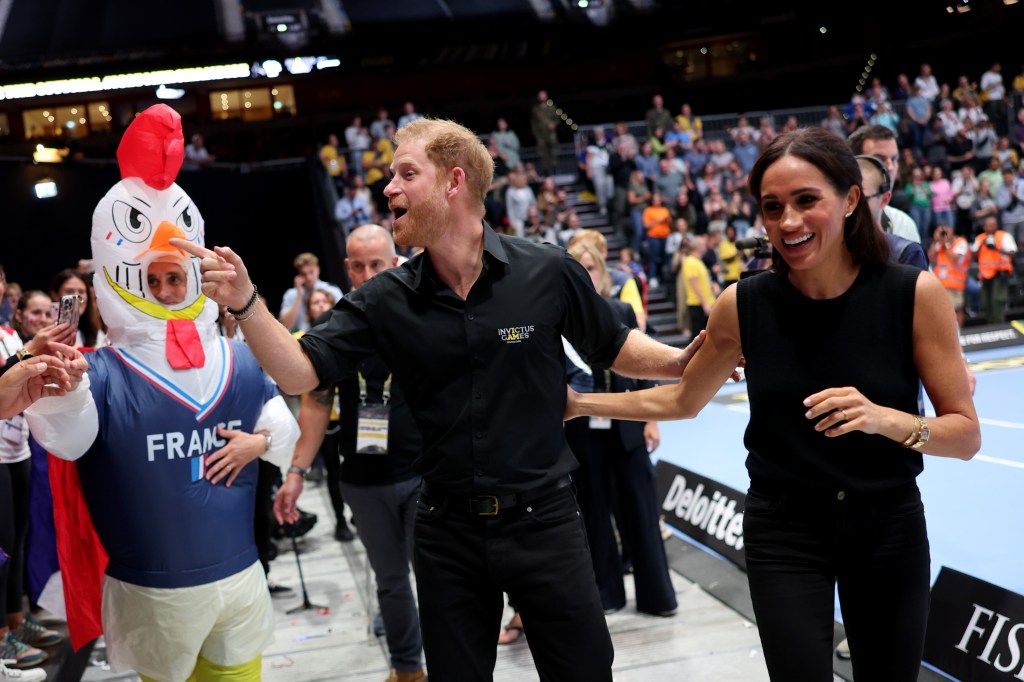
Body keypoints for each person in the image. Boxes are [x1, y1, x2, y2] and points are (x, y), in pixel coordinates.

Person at [176, 117, 707, 682]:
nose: (388, 188)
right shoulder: (384, 300)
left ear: (454, 182)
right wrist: (247, 302)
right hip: (447, 531)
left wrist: (678, 362)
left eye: (407, 173)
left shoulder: (548, 270)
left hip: (544, 520)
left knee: (583, 671)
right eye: (390, 175)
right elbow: (301, 371)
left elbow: (615, 344)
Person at [567, 127, 980, 681]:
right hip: (784, 530)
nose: (788, 222)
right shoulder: (743, 303)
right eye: (772, 207)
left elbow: (965, 435)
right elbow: (684, 400)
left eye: (807, 200)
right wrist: (575, 403)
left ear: (851, 198)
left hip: (886, 526)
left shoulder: (912, 294)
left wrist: (887, 419)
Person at [23, 104, 300, 682]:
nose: (166, 288)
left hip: (239, 581)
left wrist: (260, 442)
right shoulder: (100, 372)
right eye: (152, 279)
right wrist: (62, 391)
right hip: (154, 594)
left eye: (175, 276)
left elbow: (287, 430)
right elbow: (68, 444)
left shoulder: (240, 356)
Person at [276, 224, 425, 682]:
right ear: (346, 268)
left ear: (395, 260)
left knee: (442, 579)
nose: (367, 274)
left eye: (376, 264)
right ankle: (407, 668)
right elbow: (316, 404)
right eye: (357, 266)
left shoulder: (423, 312)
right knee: (391, 581)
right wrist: (298, 470)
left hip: (425, 473)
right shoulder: (333, 326)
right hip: (362, 479)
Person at [564, 241, 677, 618]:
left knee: (641, 511)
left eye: (591, 269)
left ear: (602, 274)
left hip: (628, 426)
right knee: (593, 512)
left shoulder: (620, 311)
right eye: (577, 271)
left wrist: (652, 419)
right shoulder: (557, 322)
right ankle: (607, 593)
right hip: (581, 432)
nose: (586, 277)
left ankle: (657, 596)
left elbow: (643, 366)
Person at [848, 125, 921, 242]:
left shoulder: (904, 224)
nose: (890, 167)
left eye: (894, 159)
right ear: (854, 164)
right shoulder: (833, 227)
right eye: (879, 160)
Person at [277, 252, 343, 333]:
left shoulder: (332, 290)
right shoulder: (291, 294)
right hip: (303, 339)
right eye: (303, 274)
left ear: (318, 269)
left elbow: (343, 318)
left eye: (311, 272)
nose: (308, 277)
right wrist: (299, 296)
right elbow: (284, 327)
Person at [971, 215, 1017, 324]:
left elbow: (1012, 253)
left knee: (997, 300)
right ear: (984, 226)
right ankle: (991, 325)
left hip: (1000, 273)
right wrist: (983, 244)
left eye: (993, 225)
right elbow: (974, 256)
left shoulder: (1004, 236)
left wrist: (996, 247)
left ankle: (999, 325)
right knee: (985, 302)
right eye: (988, 225)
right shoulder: (980, 238)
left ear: (996, 226)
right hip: (985, 274)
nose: (990, 228)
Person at [929, 224, 971, 328]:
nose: (944, 234)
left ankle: (959, 332)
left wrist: (946, 244)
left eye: (946, 231)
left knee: (957, 308)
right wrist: (936, 241)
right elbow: (929, 256)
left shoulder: (960, 242)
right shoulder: (939, 244)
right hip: (940, 283)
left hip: (955, 282)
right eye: (942, 232)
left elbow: (954, 257)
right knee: (942, 310)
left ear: (952, 231)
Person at [531, 90, 561, 176]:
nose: (542, 97)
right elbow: (534, 123)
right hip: (541, 135)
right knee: (543, 153)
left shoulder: (552, 107)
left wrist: (554, 124)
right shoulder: (536, 110)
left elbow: (557, 119)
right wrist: (536, 134)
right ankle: (545, 170)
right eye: (540, 95)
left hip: (551, 133)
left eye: (543, 95)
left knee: (553, 151)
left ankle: (555, 168)